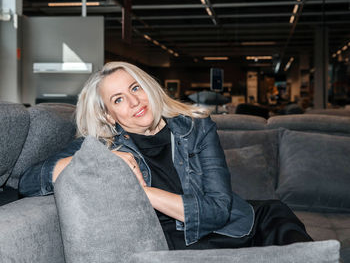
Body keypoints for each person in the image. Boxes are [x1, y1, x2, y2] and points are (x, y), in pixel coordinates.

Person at [19, 61, 312, 250]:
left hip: (238, 223)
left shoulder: (197, 127)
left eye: (135, 88)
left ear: (148, 87)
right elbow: (28, 183)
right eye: (119, 99)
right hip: (172, 240)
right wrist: (93, 161)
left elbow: (218, 209)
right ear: (109, 115)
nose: (134, 102)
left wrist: (142, 192)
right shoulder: (102, 145)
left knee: (280, 217)